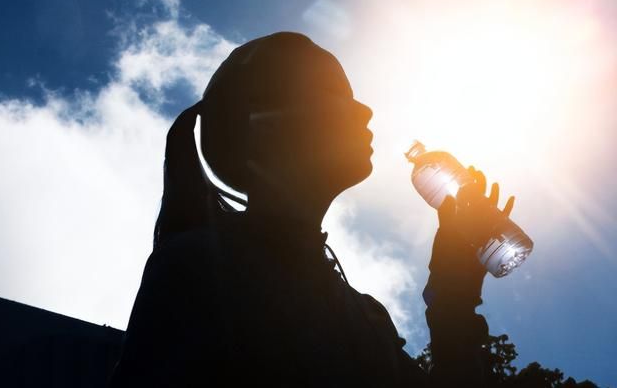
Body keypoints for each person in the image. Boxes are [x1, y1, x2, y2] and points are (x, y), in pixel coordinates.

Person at [108, 32, 515, 387]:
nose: (365, 111)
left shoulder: (366, 316)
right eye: (335, 94)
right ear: (267, 122)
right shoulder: (197, 270)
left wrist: (452, 293)